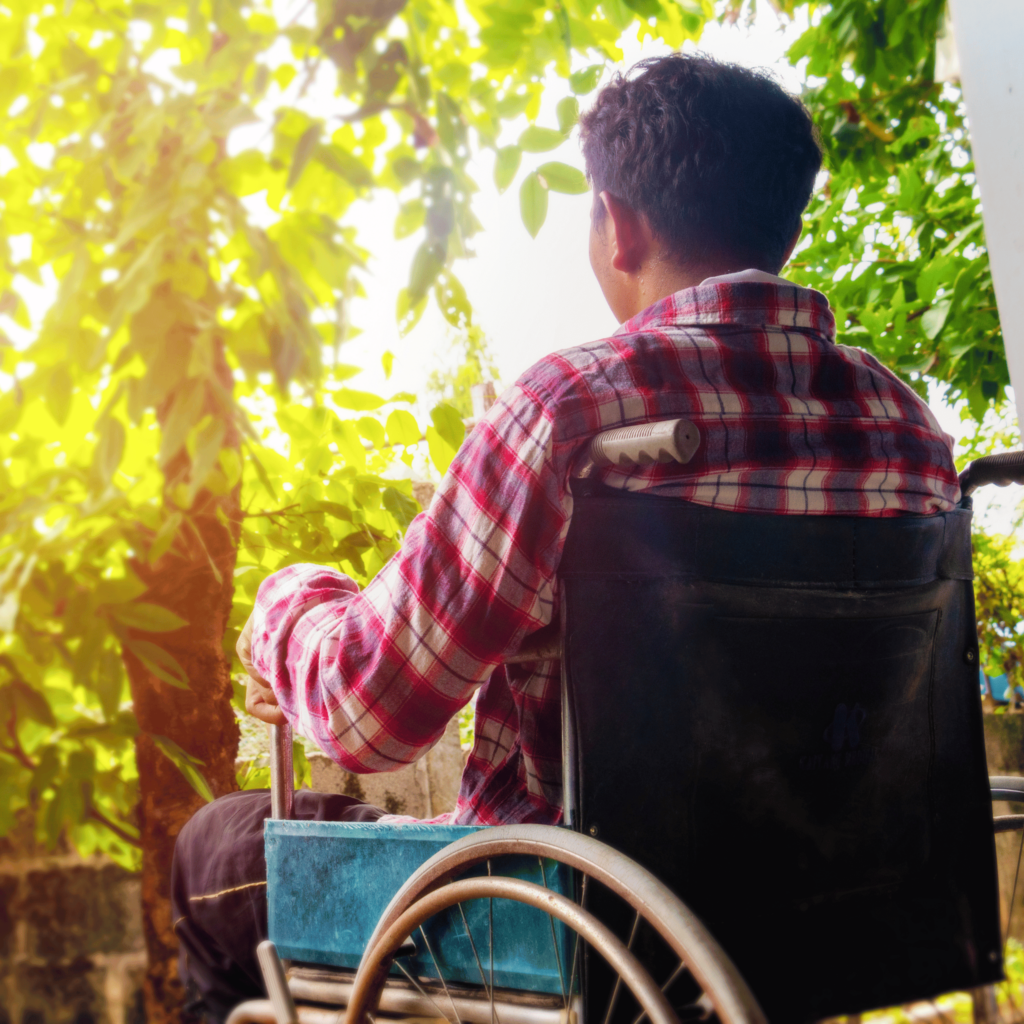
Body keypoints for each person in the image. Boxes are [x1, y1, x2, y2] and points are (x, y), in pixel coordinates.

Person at [172, 52, 960, 1021]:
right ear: (785, 219)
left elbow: (369, 715)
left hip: (565, 920)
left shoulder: (573, 408)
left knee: (216, 848)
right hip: (818, 916)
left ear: (617, 223)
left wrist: (288, 603)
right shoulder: (907, 427)